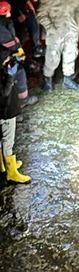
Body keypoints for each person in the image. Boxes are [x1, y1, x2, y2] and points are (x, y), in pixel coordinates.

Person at [37, 0, 79, 92]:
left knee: (70, 55)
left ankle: (68, 79)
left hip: (71, 31)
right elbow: (41, 14)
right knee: (52, 57)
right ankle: (48, 80)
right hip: (55, 33)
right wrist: (50, 29)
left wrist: (77, 26)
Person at [0, 30, 28, 183]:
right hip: (5, 112)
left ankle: (3, 167)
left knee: (0, 140)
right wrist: (10, 76)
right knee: (8, 140)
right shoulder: (4, 73)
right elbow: (4, 92)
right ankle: (11, 172)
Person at [0, 1, 36, 107]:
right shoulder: (2, 26)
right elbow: (10, 43)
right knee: (19, 73)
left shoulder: (4, 22)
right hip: (5, 57)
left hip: (5, 55)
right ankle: (23, 101)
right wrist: (19, 53)